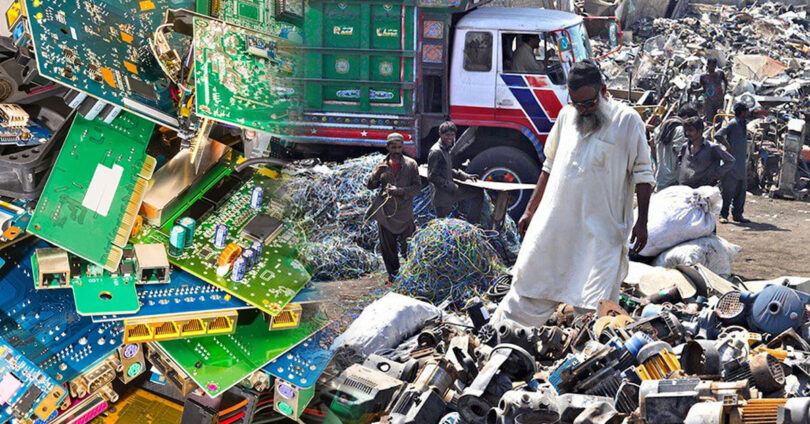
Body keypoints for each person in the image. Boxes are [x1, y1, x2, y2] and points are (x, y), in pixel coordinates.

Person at [492, 60, 655, 326]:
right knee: (529, 287)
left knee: (592, 310)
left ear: (603, 91)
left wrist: (643, 222)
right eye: (576, 103)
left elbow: (643, 176)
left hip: (601, 234)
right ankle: (498, 339)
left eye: (588, 103)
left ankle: (583, 359)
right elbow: (549, 165)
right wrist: (530, 210)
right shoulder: (567, 116)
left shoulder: (627, 121)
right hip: (555, 229)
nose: (583, 110)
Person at [366, 133, 421, 283]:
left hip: (404, 212)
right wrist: (377, 175)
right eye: (393, 147)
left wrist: (400, 191)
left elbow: (417, 187)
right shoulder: (381, 165)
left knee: (408, 245)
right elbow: (370, 186)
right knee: (388, 248)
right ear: (388, 147)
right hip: (386, 212)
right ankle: (393, 276)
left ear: (402, 147)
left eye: (399, 147)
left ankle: (411, 274)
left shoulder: (411, 165)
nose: (397, 150)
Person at [427, 121, 484, 225]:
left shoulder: (446, 148)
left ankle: (472, 225)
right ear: (440, 134)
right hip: (442, 196)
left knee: (477, 193)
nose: (450, 138)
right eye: (447, 135)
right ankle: (471, 225)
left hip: (449, 192)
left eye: (452, 135)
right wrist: (451, 186)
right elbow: (432, 177)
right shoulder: (436, 151)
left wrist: (463, 175)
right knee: (442, 226)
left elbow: (447, 169)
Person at [715, 102, 751, 223]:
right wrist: (727, 145)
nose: (748, 112)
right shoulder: (733, 124)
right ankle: (723, 215)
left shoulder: (743, 124)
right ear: (741, 112)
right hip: (732, 164)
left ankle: (737, 214)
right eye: (746, 110)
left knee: (741, 191)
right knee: (728, 191)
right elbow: (718, 135)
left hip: (741, 163)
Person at [677, 116, 735, 188]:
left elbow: (730, 161)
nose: (687, 133)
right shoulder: (685, 147)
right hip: (684, 188)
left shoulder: (712, 148)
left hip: (703, 190)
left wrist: (715, 175)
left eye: (691, 130)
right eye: (686, 130)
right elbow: (680, 161)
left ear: (700, 131)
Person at [653, 104, 697, 190]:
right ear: (686, 117)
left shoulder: (661, 127)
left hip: (660, 177)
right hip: (673, 179)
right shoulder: (680, 130)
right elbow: (679, 152)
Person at [700, 58, 727, 126]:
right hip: (709, 101)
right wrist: (694, 91)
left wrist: (724, 92)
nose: (713, 67)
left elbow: (725, 82)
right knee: (709, 119)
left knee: (719, 117)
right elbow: (704, 89)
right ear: (708, 65)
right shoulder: (703, 76)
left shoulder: (720, 73)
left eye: (714, 65)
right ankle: (710, 134)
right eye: (711, 65)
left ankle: (717, 133)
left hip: (719, 100)